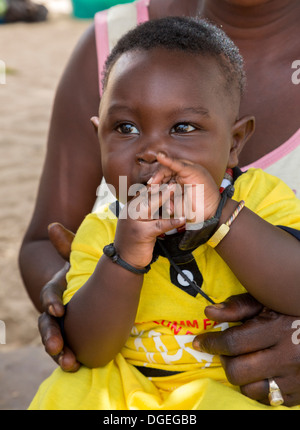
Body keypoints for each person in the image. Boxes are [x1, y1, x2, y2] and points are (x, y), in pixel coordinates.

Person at [19, 0, 300, 406]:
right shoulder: (103, 231)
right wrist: (124, 259)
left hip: (227, 395)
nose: (152, 151)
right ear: (99, 138)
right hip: (126, 394)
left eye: (184, 127)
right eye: (126, 127)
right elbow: (87, 350)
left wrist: (222, 218)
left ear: (235, 142)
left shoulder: (261, 199)